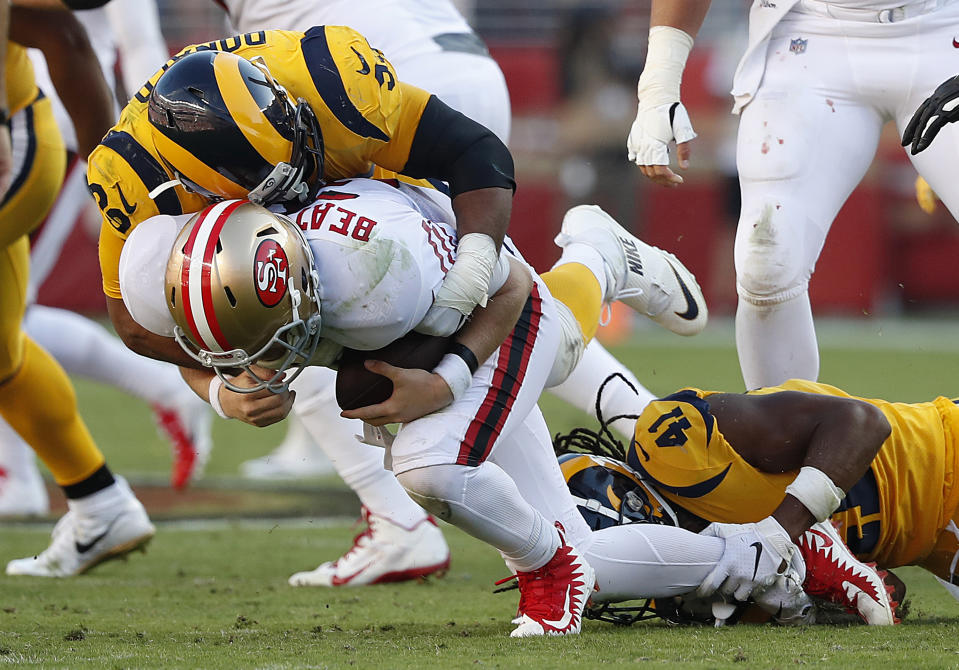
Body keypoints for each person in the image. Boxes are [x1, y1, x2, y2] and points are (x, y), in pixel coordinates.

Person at [87, 23, 705, 588]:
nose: (296, 189)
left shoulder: (329, 83)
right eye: (277, 188)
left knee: (513, 334)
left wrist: (472, 269)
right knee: (494, 379)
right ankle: (594, 286)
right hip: (270, 248)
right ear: (190, 188)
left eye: (296, 156)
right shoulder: (138, 179)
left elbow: (474, 153)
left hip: (387, 212)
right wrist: (219, 385)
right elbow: (136, 323)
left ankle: (595, 261)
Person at [627, 0, 959, 390]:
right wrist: (659, 83)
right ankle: (784, 445)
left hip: (944, 28)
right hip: (812, 33)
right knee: (767, 259)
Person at [0, 0, 212, 517]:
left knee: (15, 317)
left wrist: (134, 162)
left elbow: (132, 45)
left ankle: (21, 474)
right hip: (47, 116)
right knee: (13, 322)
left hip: (54, 127)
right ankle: (67, 485)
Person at [558, 374, 959, 621]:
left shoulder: (678, 448)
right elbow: (891, 592)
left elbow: (862, 423)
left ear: (628, 508)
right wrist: (807, 604)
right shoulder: (695, 586)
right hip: (937, 546)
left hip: (946, 454)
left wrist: (779, 532)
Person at [0, 3, 154, 577]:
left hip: (13, 140)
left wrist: (116, 177)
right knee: (4, 353)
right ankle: (100, 503)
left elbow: (64, 28)